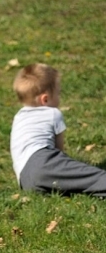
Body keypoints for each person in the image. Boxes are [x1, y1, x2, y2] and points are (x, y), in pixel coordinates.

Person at [11, 63, 106, 197]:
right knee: (92, 177)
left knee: (75, 187)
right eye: (58, 93)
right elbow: (59, 149)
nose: (59, 97)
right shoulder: (52, 113)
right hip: (44, 162)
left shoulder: (18, 117)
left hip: (25, 180)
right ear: (45, 99)